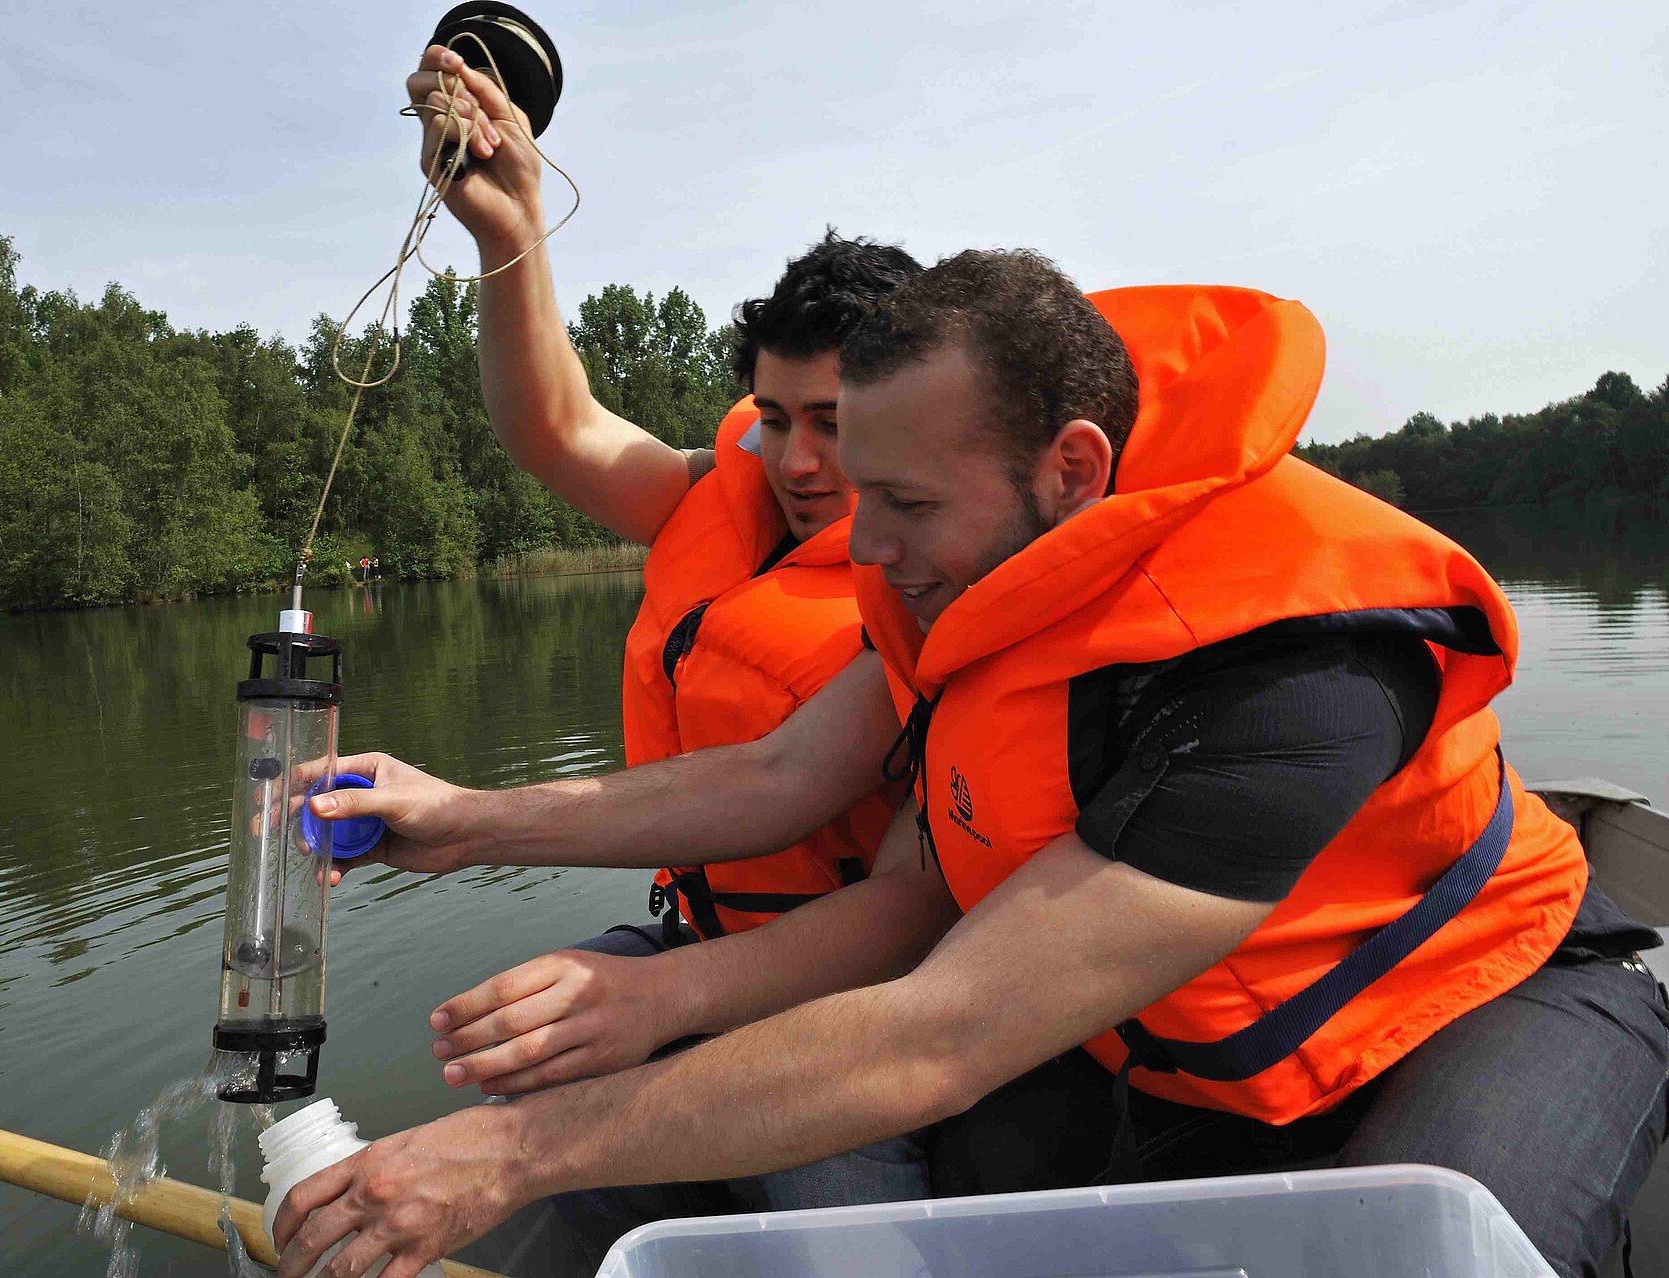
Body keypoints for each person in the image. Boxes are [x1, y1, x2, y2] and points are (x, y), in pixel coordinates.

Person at [277, 247, 1665, 1278]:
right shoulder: (965, 573)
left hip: (1484, 1003)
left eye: (905, 499)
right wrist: (459, 821)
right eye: (850, 484)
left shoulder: (1300, 672)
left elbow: (944, 1029)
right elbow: (774, 777)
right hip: (1181, 1053)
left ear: (1071, 465)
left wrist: (512, 1148)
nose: (861, 544)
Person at [358, 43, 929, 1219]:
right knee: (504, 1100)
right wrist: (508, 225)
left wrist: (475, 827)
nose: (802, 460)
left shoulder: (947, 572)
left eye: (836, 421)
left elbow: (826, 821)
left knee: (839, 1227)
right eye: (775, 419)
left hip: (847, 1011)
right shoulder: (713, 497)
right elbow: (554, 429)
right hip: (691, 943)